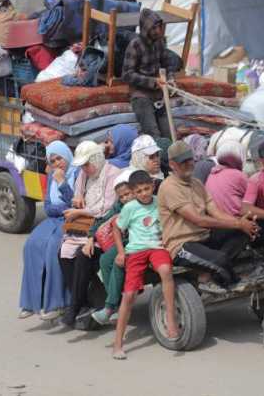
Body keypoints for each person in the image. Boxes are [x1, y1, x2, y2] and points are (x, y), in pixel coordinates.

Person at [158, 141, 258, 293]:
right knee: (220, 259)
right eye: (182, 162)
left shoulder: (197, 183)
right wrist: (238, 224)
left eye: (189, 160)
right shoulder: (169, 187)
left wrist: (242, 223)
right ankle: (232, 281)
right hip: (182, 245)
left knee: (245, 233)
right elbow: (199, 219)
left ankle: (210, 273)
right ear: (172, 164)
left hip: (204, 239)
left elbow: (216, 213)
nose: (188, 164)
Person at [112, 170, 178, 359]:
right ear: (133, 192)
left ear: (153, 185)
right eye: (139, 191)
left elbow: (169, 222)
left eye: (147, 188)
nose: (144, 193)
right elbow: (117, 228)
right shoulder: (129, 208)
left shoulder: (159, 202)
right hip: (136, 251)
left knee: (166, 270)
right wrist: (121, 252)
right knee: (129, 295)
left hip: (157, 247)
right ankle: (118, 343)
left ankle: (171, 321)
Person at [59, 141, 121, 326]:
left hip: (105, 227)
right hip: (85, 226)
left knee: (83, 256)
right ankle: (82, 304)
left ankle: (75, 306)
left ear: (97, 158)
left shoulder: (113, 174)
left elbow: (106, 208)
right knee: (62, 253)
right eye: (83, 165)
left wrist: (80, 212)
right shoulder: (83, 175)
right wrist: (77, 201)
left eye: (87, 164)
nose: (85, 168)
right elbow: (78, 195)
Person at [18, 141, 78, 320]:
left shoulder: (77, 173)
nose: (57, 163)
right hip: (55, 219)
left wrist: (63, 183)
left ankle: (57, 303)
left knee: (54, 247)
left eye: (59, 158)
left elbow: (75, 202)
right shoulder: (52, 176)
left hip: (74, 219)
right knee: (31, 245)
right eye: (52, 161)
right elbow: (48, 207)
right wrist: (62, 207)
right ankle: (31, 303)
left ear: (67, 155)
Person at [122, 9, 183, 139]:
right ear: (145, 29)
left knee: (169, 135)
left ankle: (169, 159)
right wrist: (153, 82)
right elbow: (127, 74)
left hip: (158, 95)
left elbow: (168, 63)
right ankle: (158, 159)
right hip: (141, 96)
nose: (158, 31)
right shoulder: (135, 45)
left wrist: (171, 79)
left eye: (159, 27)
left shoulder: (159, 42)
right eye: (153, 28)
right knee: (153, 135)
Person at [87, 169, 135, 326]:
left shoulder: (142, 203)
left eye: (128, 194)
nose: (125, 198)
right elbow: (103, 220)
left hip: (138, 242)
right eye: (121, 197)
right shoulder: (119, 206)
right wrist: (90, 237)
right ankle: (115, 303)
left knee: (115, 261)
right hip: (126, 242)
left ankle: (111, 306)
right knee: (104, 260)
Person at [205, 141, 248, 217]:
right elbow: (251, 198)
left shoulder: (212, 173)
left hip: (214, 218)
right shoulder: (238, 175)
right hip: (234, 220)